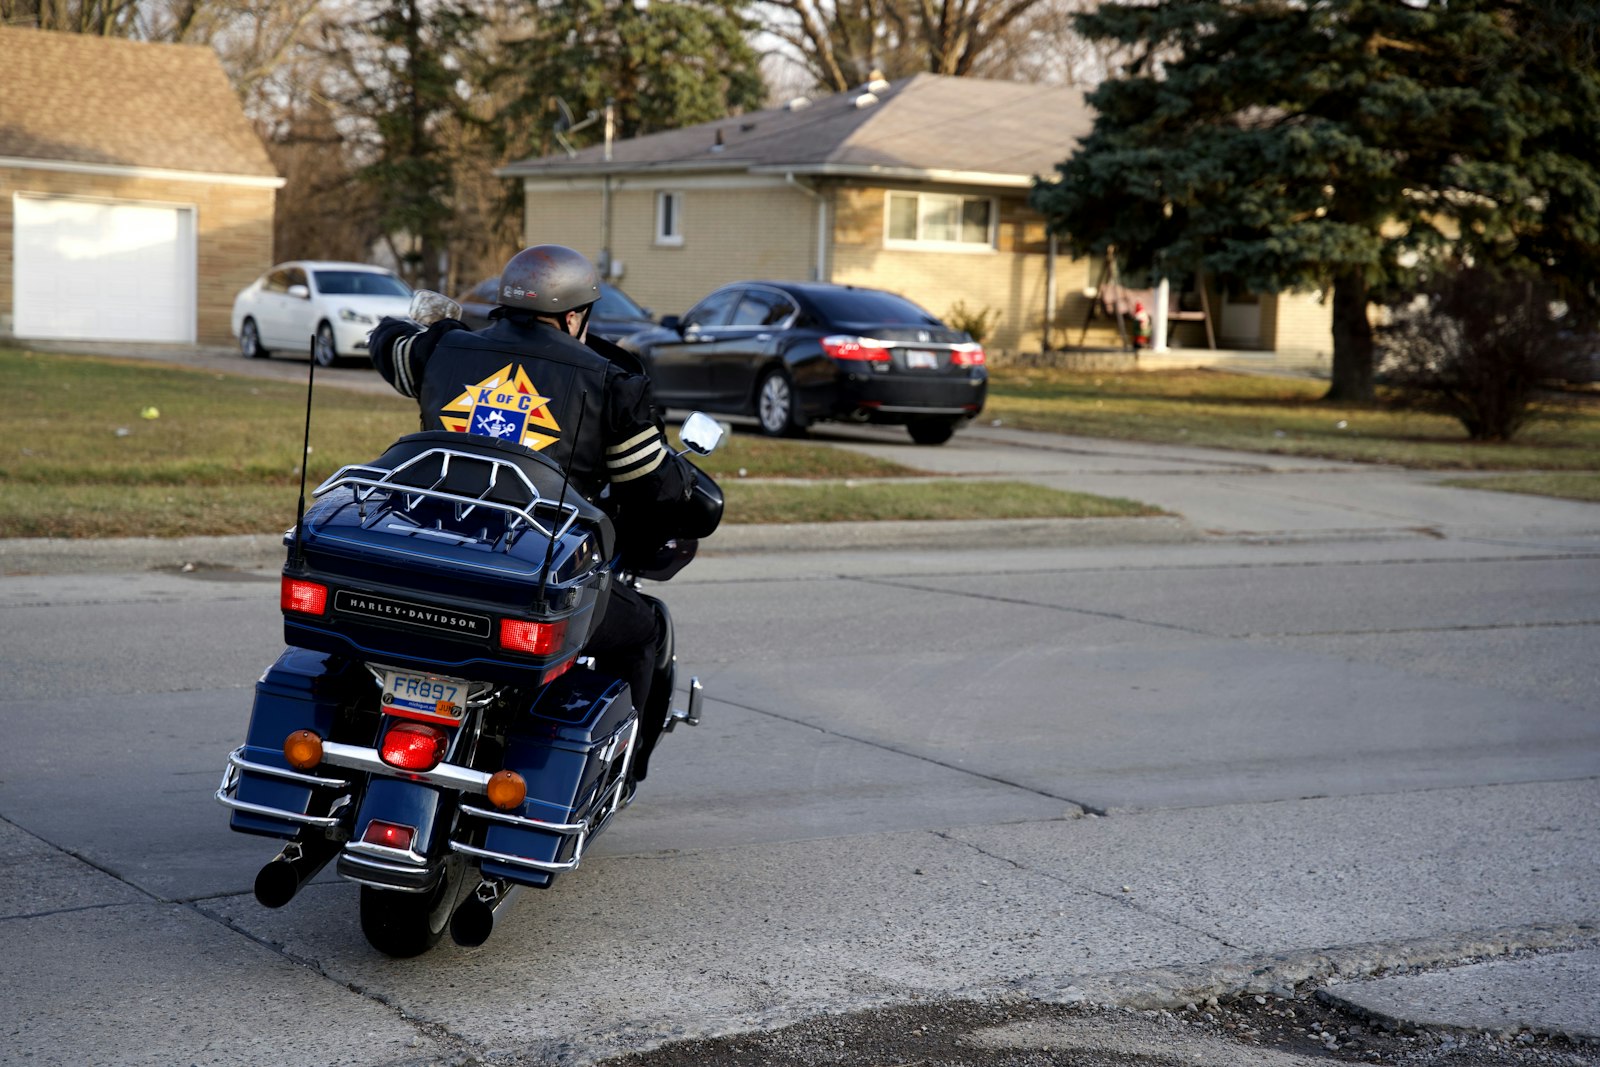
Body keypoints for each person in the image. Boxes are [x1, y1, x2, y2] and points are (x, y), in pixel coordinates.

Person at [367, 244, 701, 786]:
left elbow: (385, 343)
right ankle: (619, 776)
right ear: (574, 316)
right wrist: (684, 481)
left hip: (426, 554)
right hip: (527, 573)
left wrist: (430, 322)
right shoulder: (611, 381)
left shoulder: (443, 351)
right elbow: (653, 487)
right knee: (645, 631)